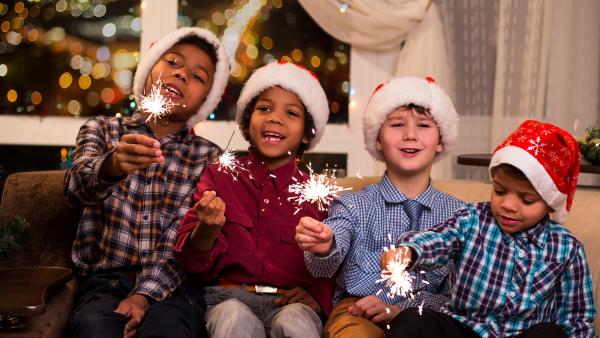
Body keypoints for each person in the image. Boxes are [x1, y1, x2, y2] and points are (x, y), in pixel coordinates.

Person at [64, 27, 230, 338]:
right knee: (94, 328)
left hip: (176, 289)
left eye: (198, 76)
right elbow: (75, 190)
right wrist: (110, 167)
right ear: (150, 69)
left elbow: (181, 238)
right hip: (105, 282)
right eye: (173, 62)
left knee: (168, 331)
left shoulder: (208, 157)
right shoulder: (101, 129)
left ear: (206, 101)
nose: (181, 75)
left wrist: (143, 296)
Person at [383, 119, 596, 338]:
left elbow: (576, 318)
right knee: (412, 321)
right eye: (501, 191)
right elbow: (440, 239)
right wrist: (408, 252)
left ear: (550, 203)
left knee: (551, 334)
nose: (508, 205)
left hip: (520, 334)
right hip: (464, 329)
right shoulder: (472, 219)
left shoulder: (567, 249)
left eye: (526, 199)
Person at [173, 61, 333, 338]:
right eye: (264, 108)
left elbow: (337, 260)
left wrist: (319, 295)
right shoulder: (219, 176)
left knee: (295, 322)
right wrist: (207, 228)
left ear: (307, 133)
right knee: (234, 318)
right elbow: (190, 261)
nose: (275, 118)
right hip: (227, 298)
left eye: (291, 113)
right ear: (248, 120)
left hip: (291, 302)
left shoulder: (317, 194)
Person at [295, 76, 463, 338]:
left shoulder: (461, 215)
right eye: (397, 125)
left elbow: (461, 293)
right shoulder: (352, 204)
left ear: (441, 140)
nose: (410, 135)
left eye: (423, 125)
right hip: (358, 309)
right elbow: (323, 265)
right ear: (377, 139)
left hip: (428, 317)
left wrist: (402, 308)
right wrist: (324, 246)